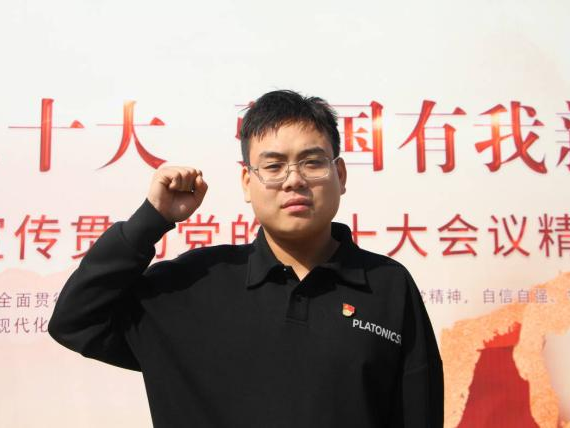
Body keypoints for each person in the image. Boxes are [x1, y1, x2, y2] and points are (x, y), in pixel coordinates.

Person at [48, 89, 444, 427]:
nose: (294, 180)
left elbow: (419, 412)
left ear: (340, 174)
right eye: (273, 166)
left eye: (312, 162)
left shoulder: (387, 285)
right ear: (246, 182)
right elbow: (76, 320)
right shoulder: (190, 287)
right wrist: (151, 219)